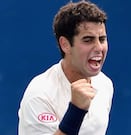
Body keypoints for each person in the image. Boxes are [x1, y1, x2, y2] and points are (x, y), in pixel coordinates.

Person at [18, 0, 114, 135]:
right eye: (88, 40)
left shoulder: (105, 84)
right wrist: (76, 111)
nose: (99, 47)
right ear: (65, 45)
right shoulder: (39, 94)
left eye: (102, 39)